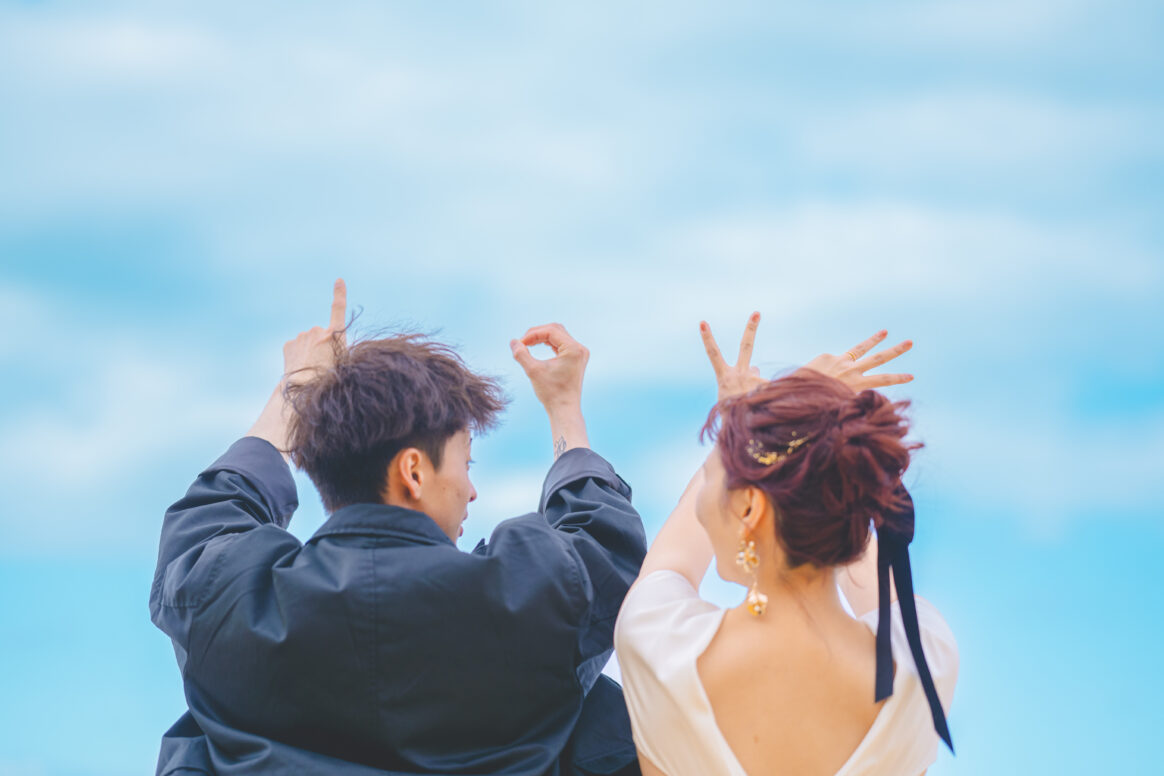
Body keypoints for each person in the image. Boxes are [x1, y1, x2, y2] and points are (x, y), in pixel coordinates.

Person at [149, 279, 647, 775]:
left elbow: (212, 512)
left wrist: (296, 387)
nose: (471, 490)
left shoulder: (228, 596)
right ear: (413, 471)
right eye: (466, 464)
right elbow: (604, 539)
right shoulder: (527, 597)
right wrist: (564, 408)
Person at [614, 315, 958, 776]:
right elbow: (846, 529)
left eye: (711, 476)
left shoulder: (659, 645)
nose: (700, 504)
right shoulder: (924, 663)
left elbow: (670, 563)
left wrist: (749, 415)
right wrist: (794, 426)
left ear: (750, 507)